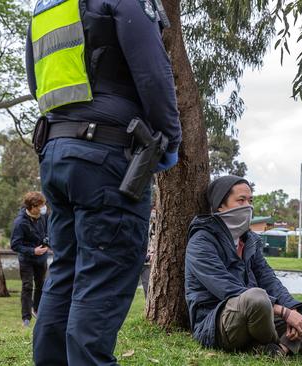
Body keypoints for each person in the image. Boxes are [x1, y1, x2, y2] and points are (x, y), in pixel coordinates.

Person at [26, 0, 182, 364]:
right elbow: (154, 75)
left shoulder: (45, 6)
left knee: (65, 269)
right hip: (107, 158)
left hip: (56, 152)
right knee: (103, 274)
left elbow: (36, 83)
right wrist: (170, 141)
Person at [185, 176, 302, 357]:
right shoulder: (201, 241)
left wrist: (293, 310)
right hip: (219, 322)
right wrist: (284, 312)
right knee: (257, 296)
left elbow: (268, 279)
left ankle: (281, 348)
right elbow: (228, 289)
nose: (248, 207)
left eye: (250, 201)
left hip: (261, 313)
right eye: (241, 200)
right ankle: (293, 344)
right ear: (220, 205)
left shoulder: (249, 240)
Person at [10, 191, 49, 327]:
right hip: (27, 259)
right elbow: (15, 245)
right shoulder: (20, 222)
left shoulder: (43, 217)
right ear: (33, 206)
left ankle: (36, 309)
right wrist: (33, 251)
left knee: (41, 285)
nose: (44, 207)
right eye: (41, 205)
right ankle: (26, 318)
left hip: (41, 258)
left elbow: (48, 232)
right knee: (27, 286)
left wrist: (48, 242)